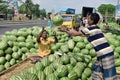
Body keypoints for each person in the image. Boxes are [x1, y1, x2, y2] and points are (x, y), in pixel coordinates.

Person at [58, 13, 118, 80]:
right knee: (96, 70)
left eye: (88, 18)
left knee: (109, 75)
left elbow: (74, 33)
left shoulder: (89, 29)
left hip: (106, 54)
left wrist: (65, 30)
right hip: (102, 54)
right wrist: (67, 28)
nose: (87, 20)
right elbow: (77, 31)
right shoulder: (97, 28)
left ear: (92, 21)